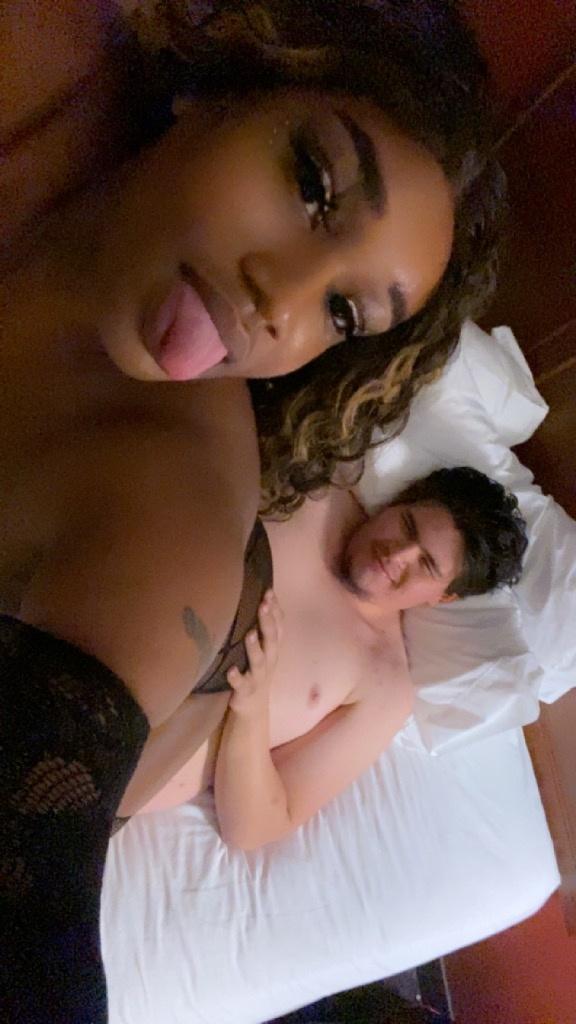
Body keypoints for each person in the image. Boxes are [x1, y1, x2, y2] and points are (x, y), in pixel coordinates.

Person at [0, 1, 504, 1019]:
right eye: (312, 183)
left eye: (341, 313)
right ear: (223, 86)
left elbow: (245, 832)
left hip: (133, 730)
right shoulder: (319, 492)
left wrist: (252, 701)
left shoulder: (378, 678)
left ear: (436, 602)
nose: (281, 302)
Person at [131, 468, 528, 849]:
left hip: (124, 757)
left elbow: (256, 829)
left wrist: (250, 711)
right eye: (407, 526)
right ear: (397, 503)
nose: (398, 555)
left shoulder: (383, 684)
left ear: (443, 596)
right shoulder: (314, 493)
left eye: (425, 564)